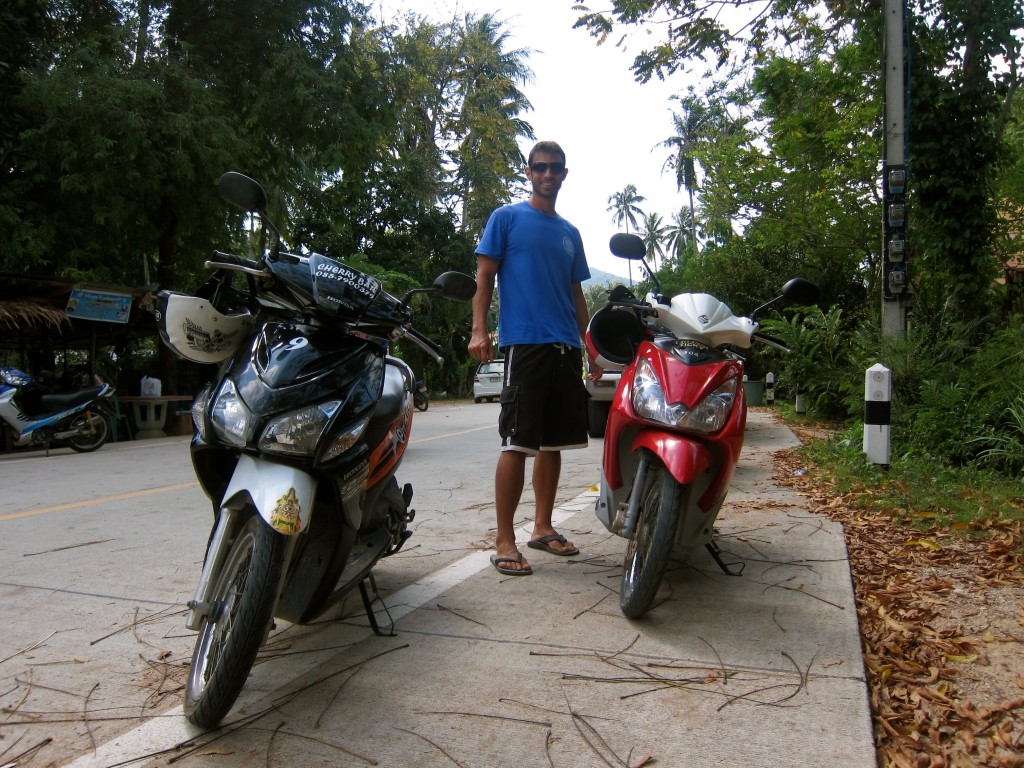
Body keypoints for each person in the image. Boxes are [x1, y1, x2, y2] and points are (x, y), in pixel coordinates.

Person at [468, 140, 601, 576]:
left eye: (555, 168)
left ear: (565, 174)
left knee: (554, 443)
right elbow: (484, 276)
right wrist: (479, 329)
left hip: (565, 346)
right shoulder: (505, 218)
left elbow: (576, 292)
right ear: (528, 172)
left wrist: (590, 346)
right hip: (524, 344)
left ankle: (542, 527)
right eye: (540, 167)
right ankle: (504, 539)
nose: (547, 174)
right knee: (517, 442)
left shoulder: (569, 233)